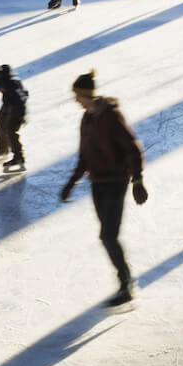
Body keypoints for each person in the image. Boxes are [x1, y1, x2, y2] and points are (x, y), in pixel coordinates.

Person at [58, 69, 148, 308]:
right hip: (97, 184)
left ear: (87, 95)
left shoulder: (112, 117)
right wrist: (72, 181)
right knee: (107, 236)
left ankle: (126, 284)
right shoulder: (86, 119)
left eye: (78, 96)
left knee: (108, 235)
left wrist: (137, 180)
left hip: (116, 183)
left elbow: (133, 149)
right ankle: (125, 282)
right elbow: (84, 155)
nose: (76, 100)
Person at [0, 59, 28, 173]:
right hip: (8, 103)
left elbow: (23, 95)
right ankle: (3, 149)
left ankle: (19, 157)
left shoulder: (10, 82)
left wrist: (22, 115)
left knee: (10, 131)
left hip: (17, 106)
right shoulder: (1, 76)